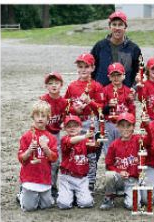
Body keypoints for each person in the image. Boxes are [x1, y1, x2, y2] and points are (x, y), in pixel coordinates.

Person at [64, 53, 104, 192]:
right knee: (76, 152)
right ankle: (76, 178)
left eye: (86, 67)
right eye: (80, 67)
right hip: (76, 124)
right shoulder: (72, 86)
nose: (83, 70)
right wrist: (74, 109)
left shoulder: (96, 86)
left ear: (92, 68)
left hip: (90, 123)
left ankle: (90, 182)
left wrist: (89, 102)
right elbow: (66, 105)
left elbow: (101, 109)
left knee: (91, 154)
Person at [17, 100, 58, 211]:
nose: (40, 118)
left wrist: (45, 148)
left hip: (44, 177)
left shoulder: (51, 137)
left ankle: (36, 196)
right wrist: (30, 150)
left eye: (43, 116)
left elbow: (54, 158)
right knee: (30, 207)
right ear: (33, 117)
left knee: (46, 206)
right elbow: (21, 158)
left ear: (48, 118)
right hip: (30, 178)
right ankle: (21, 195)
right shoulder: (26, 136)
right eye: (37, 115)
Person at [99, 112, 143, 210]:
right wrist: (119, 171)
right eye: (122, 126)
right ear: (117, 127)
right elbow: (108, 164)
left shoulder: (138, 140)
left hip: (132, 180)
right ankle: (109, 197)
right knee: (109, 175)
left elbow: (148, 141)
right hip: (119, 178)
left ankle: (127, 196)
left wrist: (146, 125)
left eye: (128, 125)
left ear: (133, 126)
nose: (125, 129)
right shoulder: (114, 144)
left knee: (133, 205)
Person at [90, 11, 142, 88]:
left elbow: (140, 70)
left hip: (125, 93)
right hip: (102, 92)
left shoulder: (134, 48)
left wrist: (133, 88)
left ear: (125, 27)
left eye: (120, 24)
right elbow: (90, 67)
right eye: (114, 24)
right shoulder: (99, 46)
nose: (117, 28)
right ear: (110, 27)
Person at [57, 115, 97, 209]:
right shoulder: (64, 139)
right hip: (67, 177)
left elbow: (93, 150)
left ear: (80, 127)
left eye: (75, 125)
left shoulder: (86, 140)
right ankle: (69, 194)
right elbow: (71, 141)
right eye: (69, 126)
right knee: (64, 205)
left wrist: (97, 141)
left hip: (81, 179)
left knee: (86, 203)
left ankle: (75, 195)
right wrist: (84, 136)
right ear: (65, 128)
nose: (72, 128)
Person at [40, 71, 68, 199]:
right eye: (50, 83)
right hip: (43, 133)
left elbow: (65, 118)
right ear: (46, 86)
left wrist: (64, 124)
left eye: (56, 83)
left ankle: (52, 187)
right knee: (41, 161)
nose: (54, 85)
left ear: (61, 85)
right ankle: (41, 185)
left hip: (55, 135)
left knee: (55, 162)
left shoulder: (63, 102)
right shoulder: (43, 100)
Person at [101, 62, 136, 155]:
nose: (116, 78)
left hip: (124, 125)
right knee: (109, 151)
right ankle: (110, 168)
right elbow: (100, 110)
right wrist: (108, 106)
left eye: (118, 75)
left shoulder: (128, 91)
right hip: (109, 124)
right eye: (113, 75)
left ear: (123, 76)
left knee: (123, 150)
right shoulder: (105, 90)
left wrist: (132, 124)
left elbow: (132, 110)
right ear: (109, 77)